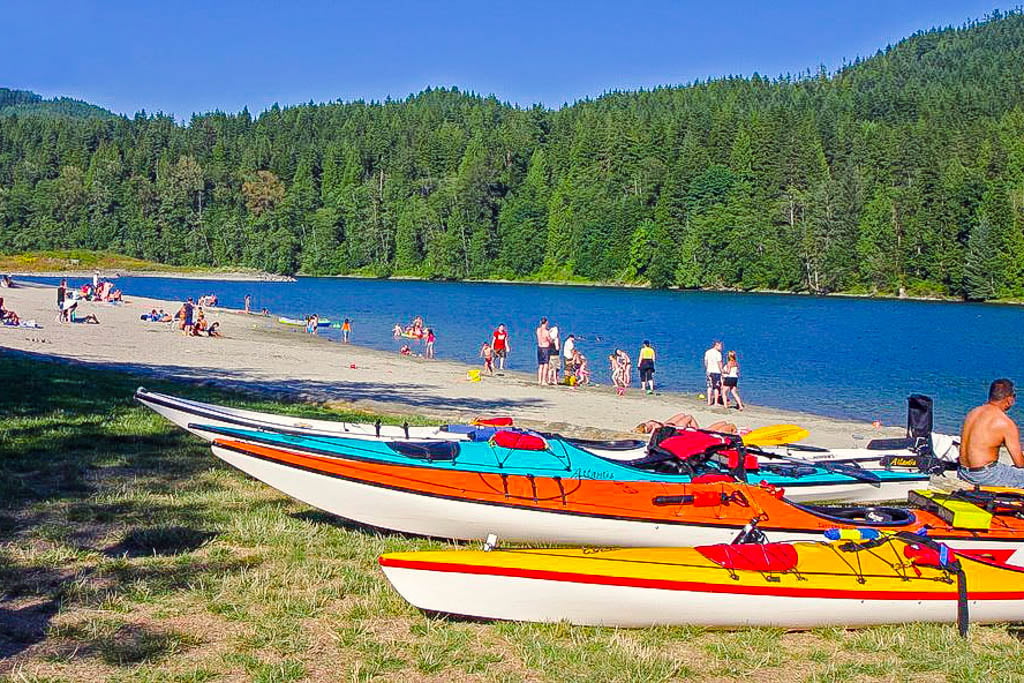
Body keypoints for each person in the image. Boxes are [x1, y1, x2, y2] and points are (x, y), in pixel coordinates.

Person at [958, 379, 1024, 487]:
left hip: (963, 472)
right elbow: (1020, 463)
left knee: (1007, 469)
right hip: (984, 475)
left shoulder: (973, 412)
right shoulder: (1004, 422)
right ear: (1010, 400)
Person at [633, 413, 738, 435]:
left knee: (725, 423)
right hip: (675, 428)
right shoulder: (654, 428)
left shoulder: (650, 425)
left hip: (669, 425)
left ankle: (698, 430)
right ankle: (698, 430)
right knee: (729, 425)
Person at [704, 340, 724, 406]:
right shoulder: (718, 354)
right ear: (716, 345)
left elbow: (705, 362)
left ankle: (709, 401)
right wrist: (722, 371)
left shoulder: (708, 352)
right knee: (716, 387)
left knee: (709, 386)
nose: (721, 347)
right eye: (720, 346)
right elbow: (719, 363)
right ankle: (715, 402)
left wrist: (707, 369)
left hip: (709, 371)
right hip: (716, 372)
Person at [535, 318, 551, 385]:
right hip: (545, 348)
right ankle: (543, 380)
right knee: (545, 365)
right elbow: (549, 340)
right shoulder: (546, 332)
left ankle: (539, 380)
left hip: (539, 347)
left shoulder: (538, 330)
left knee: (540, 365)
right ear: (546, 322)